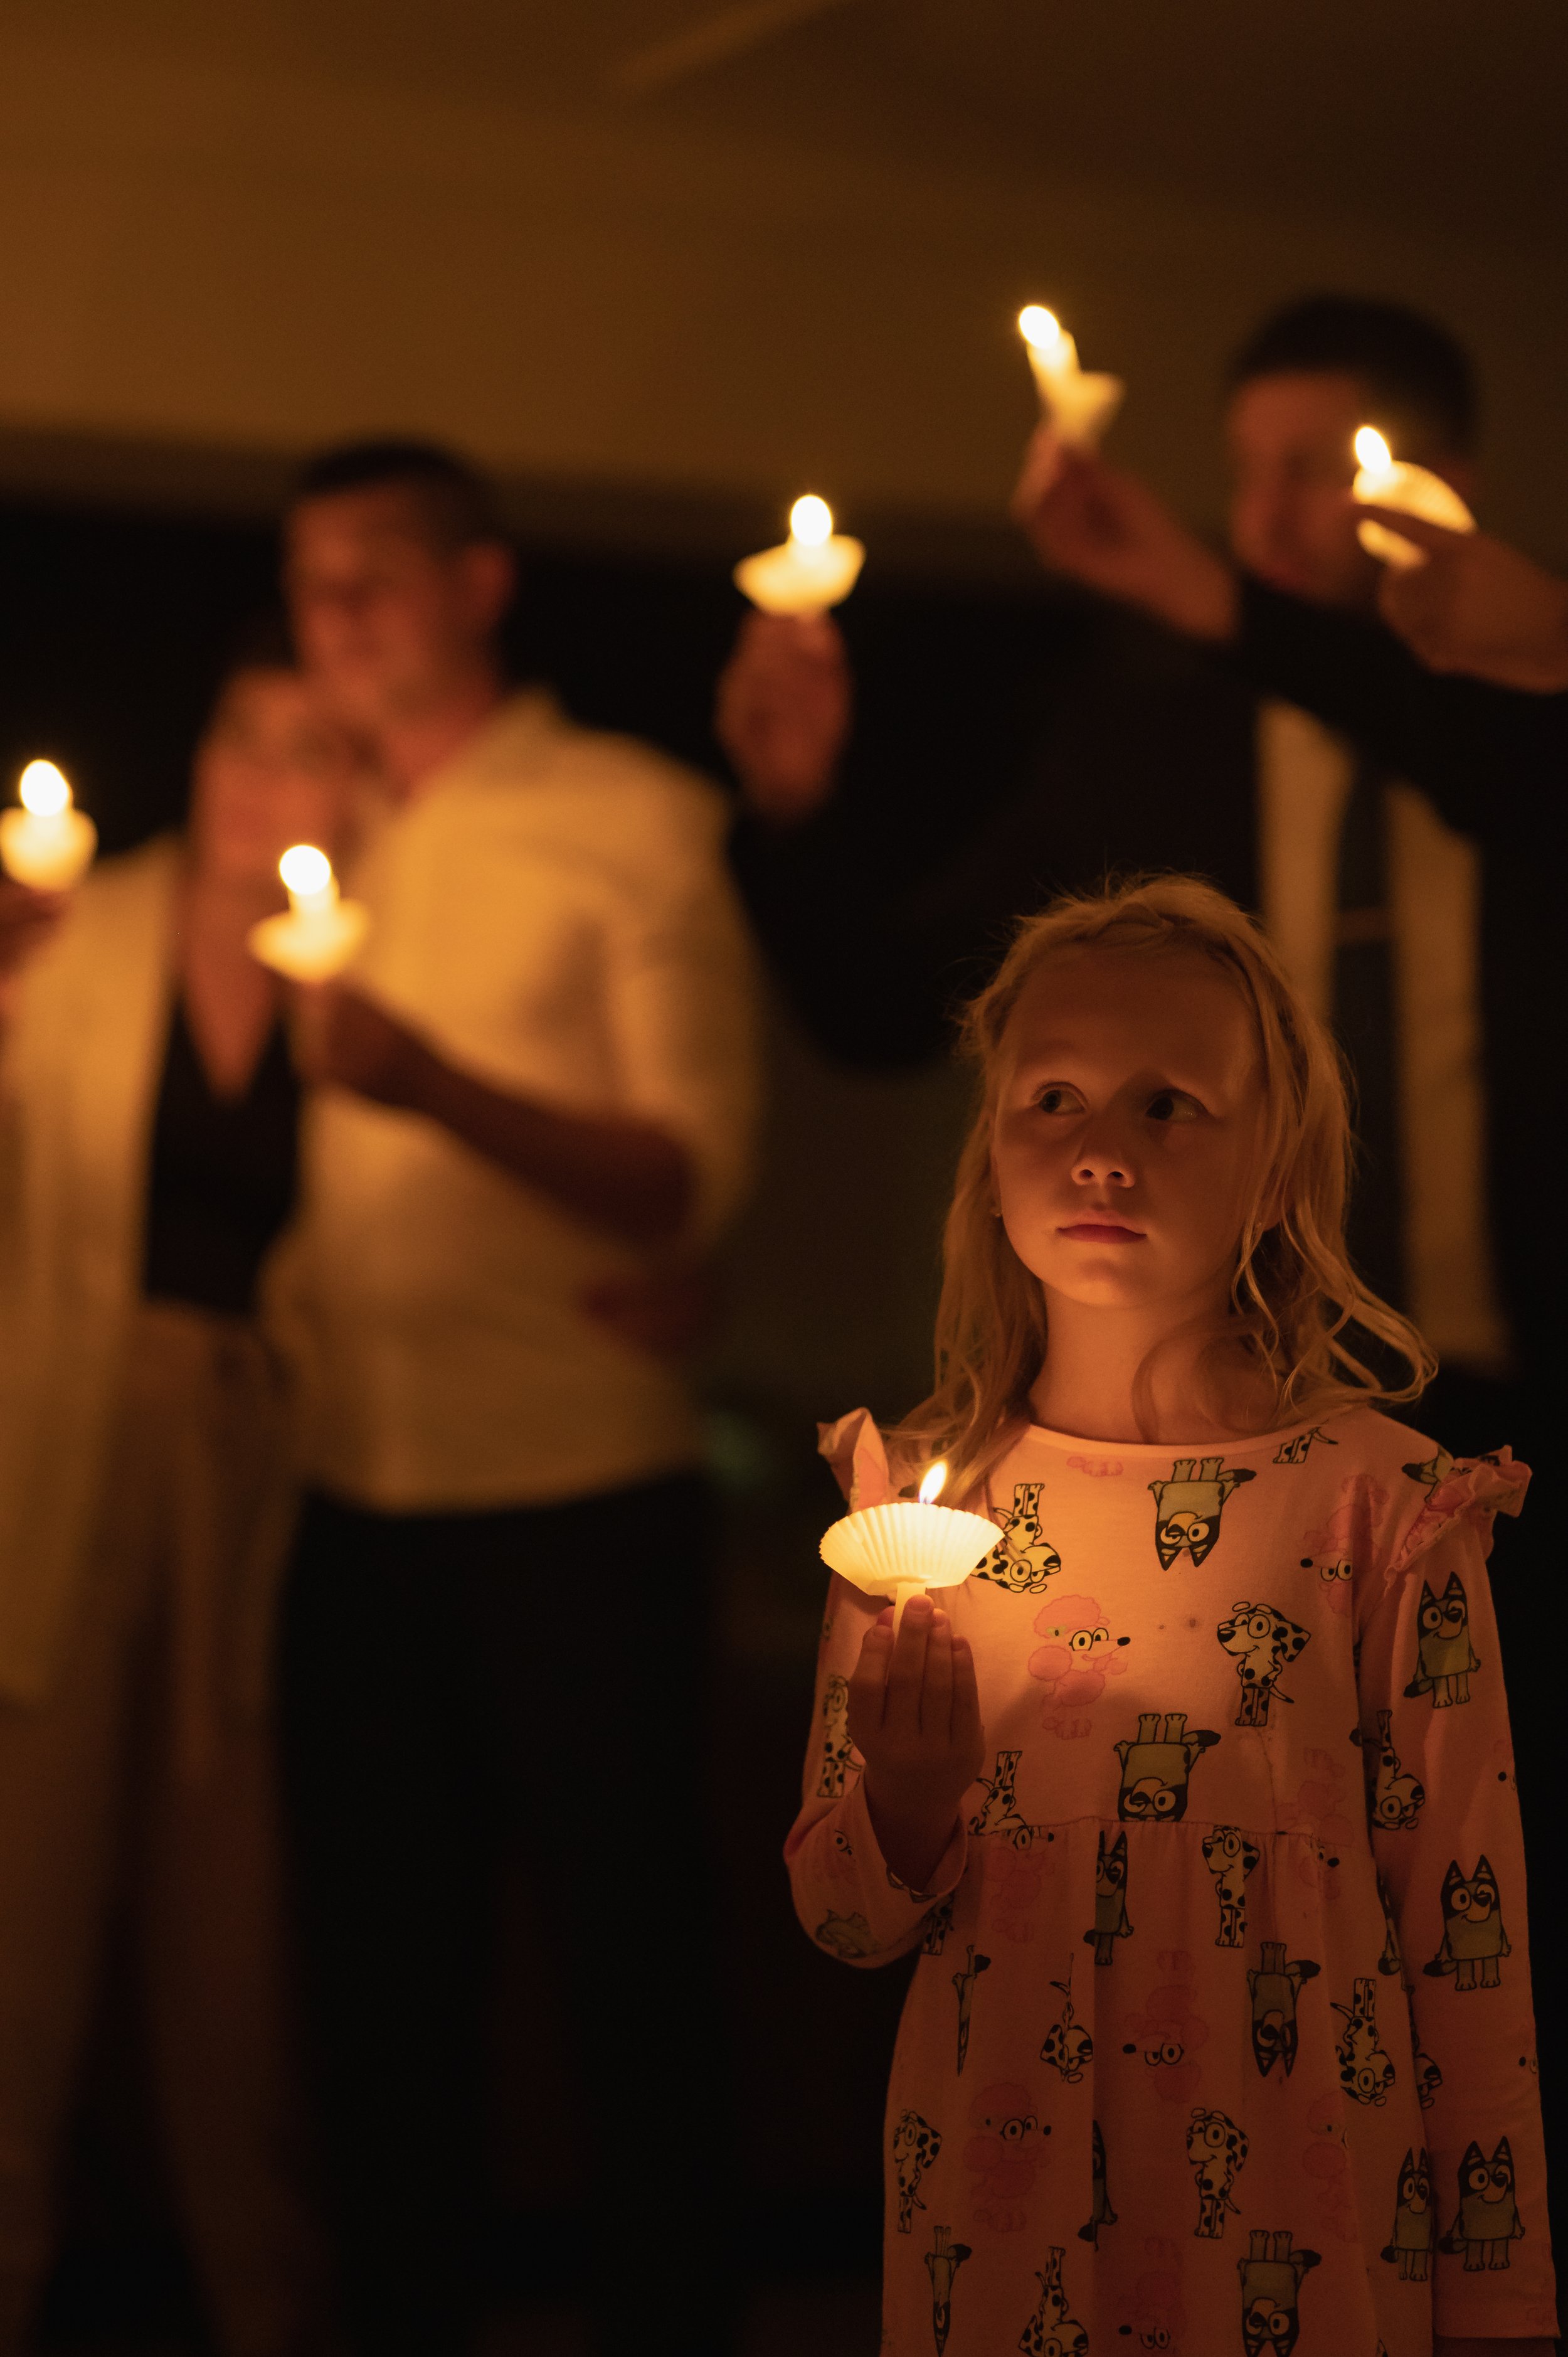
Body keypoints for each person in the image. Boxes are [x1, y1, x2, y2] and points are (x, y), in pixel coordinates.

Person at [788, 873, 1555, 2356]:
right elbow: (838, 1917)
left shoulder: (1380, 1510)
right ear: (990, 1149)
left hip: (1310, 2236)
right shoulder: (911, 1528)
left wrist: (1503, 2295)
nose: (1096, 1153)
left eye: (1166, 1107)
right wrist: (902, 1800)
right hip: (995, 2256)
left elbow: (1468, 1937)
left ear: (1275, 1160)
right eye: (1053, 1098)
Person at [271, 440, 759, 2356]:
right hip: (351, 1494)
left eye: (373, 575)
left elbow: (686, 1175)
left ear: (481, 584)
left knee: (632, 1983)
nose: (335, 620)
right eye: (309, 586)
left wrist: (438, 1084)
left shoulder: (629, 819)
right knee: (381, 1999)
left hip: (574, 1491)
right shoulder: (321, 833)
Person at [0, 639, 353, 2356]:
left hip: (254, 1483)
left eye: (302, 747)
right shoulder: (73, 938)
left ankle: (264, 2304)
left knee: (235, 1973)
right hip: (57, 1461)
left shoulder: (353, 968)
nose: (252, 772)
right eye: (235, 730)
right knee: (20, 1940)